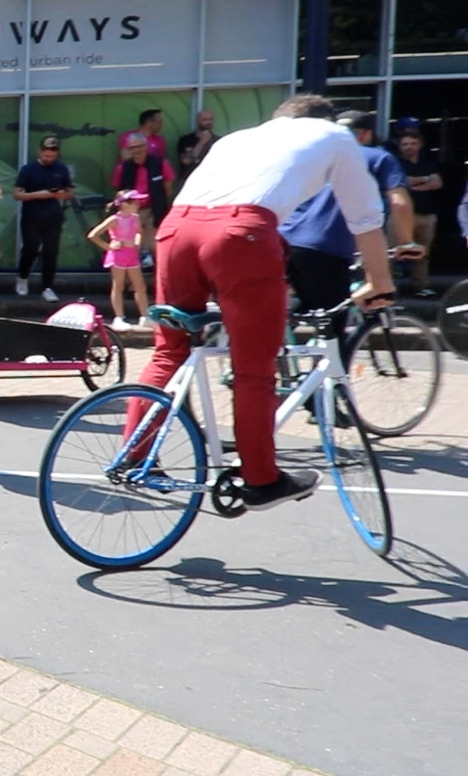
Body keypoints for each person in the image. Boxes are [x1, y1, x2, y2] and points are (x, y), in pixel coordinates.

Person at [132, 95, 394, 511]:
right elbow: (365, 219)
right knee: (254, 368)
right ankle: (260, 479)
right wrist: (379, 281)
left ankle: (136, 453)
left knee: (169, 351)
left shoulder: (236, 139)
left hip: (177, 229)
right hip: (241, 233)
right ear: (324, 120)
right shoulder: (335, 136)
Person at [280, 109, 416, 345]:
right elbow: (400, 203)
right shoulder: (378, 157)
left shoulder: (317, 156)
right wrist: (407, 243)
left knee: (302, 304)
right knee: (334, 333)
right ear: (366, 135)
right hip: (326, 247)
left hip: (285, 239)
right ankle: (333, 380)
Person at [13, 136, 74, 301]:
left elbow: (70, 192)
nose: (49, 159)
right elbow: (17, 194)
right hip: (31, 215)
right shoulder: (28, 169)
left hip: (53, 216)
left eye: (52, 156)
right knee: (30, 249)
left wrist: (61, 195)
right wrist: (38, 195)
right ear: (40, 152)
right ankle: (23, 278)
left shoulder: (61, 169)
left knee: (51, 252)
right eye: (46, 155)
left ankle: (47, 286)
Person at [88, 190, 152, 330]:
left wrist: (137, 243)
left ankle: (145, 316)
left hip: (132, 255)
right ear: (124, 204)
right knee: (119, 286)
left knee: (140, 286)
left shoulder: (135, 218)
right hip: (118, 256)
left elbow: (138, 232)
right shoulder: (114, 219)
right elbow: (93, 235)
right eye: (134, 202)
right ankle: (119, 317)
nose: (138, 204)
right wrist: (108, 246)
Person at [394, 118, 444, 296]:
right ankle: (390, 289)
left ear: (420, 144)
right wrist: (424, 180)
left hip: (427, 215)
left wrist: (413, 185)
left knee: (423, 253)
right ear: (399, 146)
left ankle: (420, 286)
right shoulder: (394, 164)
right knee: (393, 252)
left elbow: (437, 183)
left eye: (413, 143)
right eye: (405, 144)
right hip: (401, 216)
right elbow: (401, 182)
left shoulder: (428, 163)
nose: (409, 147)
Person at [111, 134, 172, 268]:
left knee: (155, 247)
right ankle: (133, 284)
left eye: (139, 146)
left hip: (153, 210)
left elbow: (167, 189)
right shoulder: (123, 168)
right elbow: (118, 192)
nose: (136, 150)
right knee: (131, 248)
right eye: (132, 148)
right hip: (131, 212)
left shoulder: (161, 164)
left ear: (146, 147)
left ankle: (158, 282)